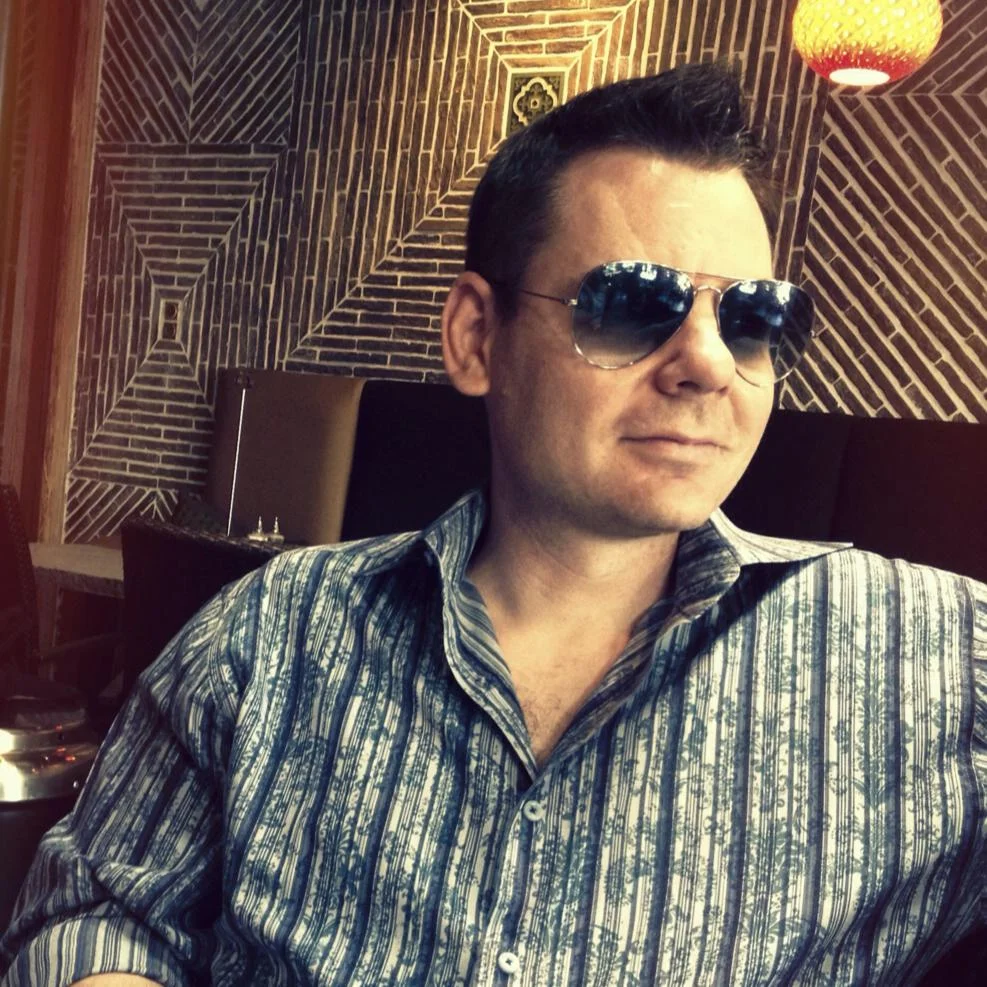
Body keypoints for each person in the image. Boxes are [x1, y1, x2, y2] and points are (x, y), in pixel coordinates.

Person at [2, 61, 985, 987]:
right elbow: (97, 908)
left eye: (752, 320)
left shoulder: (929, 664)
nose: (708, 364)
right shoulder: (266, 636)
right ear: (477, 336)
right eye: (632, 305)